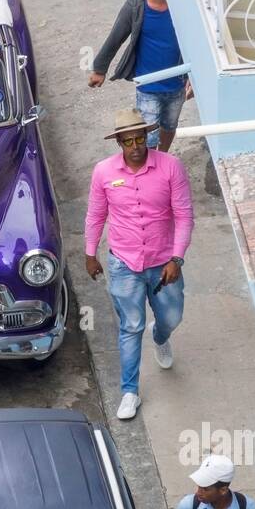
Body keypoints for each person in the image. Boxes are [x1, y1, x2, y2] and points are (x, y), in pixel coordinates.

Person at [84, 108, 194, 421]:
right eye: (128, 140)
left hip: (164, 264)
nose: (135, 146)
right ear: (119, 142)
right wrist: (90, 253)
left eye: (140, 139)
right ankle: (130, 392)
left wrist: (176, 257)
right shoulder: (103, 172)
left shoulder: (171, 167)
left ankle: (160, 337)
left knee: (172, 317)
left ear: (147, 137)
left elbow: (184, 215)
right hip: (124, 263)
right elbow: (96, 215)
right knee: (130, 327)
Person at [86, 0, 193, 151]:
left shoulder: (183, 5)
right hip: (147, 85)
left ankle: (163, 159)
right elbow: (115, 37)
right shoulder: (135, 6)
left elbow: (197, 41)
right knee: (149, 136)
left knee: (170, 126)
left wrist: (196, 79)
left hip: (176, 84)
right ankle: (151, 171)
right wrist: (99, 69)